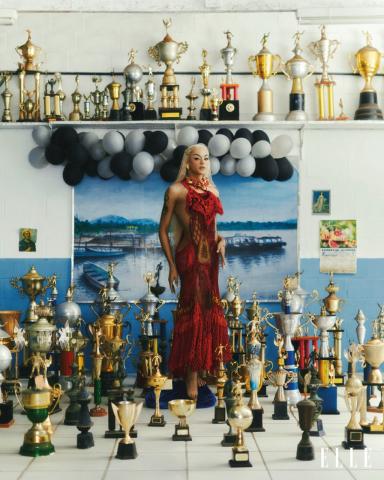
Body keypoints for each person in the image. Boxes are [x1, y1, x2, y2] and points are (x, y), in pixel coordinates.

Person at [159, 143, 231, 399]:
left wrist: (222, 241)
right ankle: (189, 376)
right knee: (193, 311)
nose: (202, 162)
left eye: (206, 158)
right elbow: (163, 230)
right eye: (197, 158)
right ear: (187, 163)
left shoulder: (213, 189)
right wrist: (171, 266)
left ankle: (200, 369)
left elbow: (213, 228)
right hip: (189, 257)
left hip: (210, 259)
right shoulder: (176, 190)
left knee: (209, 309)